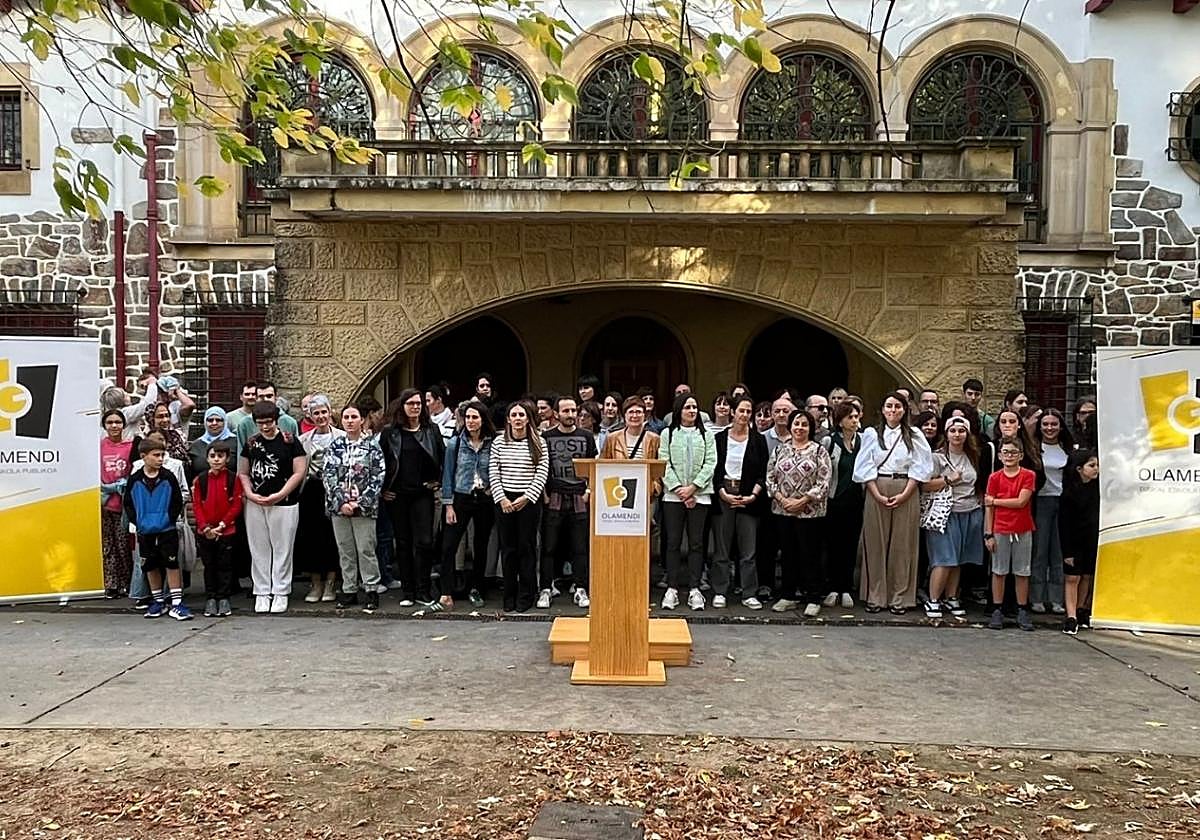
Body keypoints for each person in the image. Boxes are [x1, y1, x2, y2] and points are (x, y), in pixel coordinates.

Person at [853, 392, 935, 614]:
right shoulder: (872, 434)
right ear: (882, 409)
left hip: (906, 487)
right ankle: (875, 595)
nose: (893, 410)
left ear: (904, 409)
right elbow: (864, 466)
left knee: (903, 544)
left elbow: (921, 467)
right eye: (889, 406)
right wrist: (877, 494)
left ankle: (900, 596)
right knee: (875, 543)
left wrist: (906, 494)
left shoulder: (914, 435)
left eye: (897, 406)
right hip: (877, 486)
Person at [239, 400, 307, 614]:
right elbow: (243, 472)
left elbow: (299, 471)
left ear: (276, 420)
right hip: (256, 502)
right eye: (260, 423)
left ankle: (280, 590)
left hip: (284, 502)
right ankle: (261, 590)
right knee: (258, 547)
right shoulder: (252, 443)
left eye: (269, 422)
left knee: (282, 548)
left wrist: (281, 494)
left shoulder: (290, 441)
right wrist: (250, 493)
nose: (265, 426)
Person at [382, 388, 446, 607]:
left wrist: (438, 481)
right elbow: (381, 462)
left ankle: (423, 589)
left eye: (418, 403)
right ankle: (408, 591)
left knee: (425, 542)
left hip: (423, 493)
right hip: (398, 495)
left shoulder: (432, 430)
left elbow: (442, 458)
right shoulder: (390, 432)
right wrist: (383, 489)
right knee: (403, 542)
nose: (415, 407)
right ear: (402, 406)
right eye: (410, 403)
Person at [766, 408, 832, 616]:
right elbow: (769, 478)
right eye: (796, 424)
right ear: (790, 426)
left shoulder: (819, 451)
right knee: (788, 554)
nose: (800, 428)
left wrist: (803, 501)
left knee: (810, 554)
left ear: (810, 428)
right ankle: (788, 595)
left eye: (804, 424)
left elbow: (824, 482)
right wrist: (783, 499)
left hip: (810, 513)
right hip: (783, 510)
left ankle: (813, 597)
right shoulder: (780, 450)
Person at [324, 403, 385, 613]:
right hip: (339, 508)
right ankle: (349, 589)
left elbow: (378, 476)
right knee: (345, 549)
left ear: (362, 420)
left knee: (366, 548)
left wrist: (361, 502)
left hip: (364, 508)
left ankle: (371, 589)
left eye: (354, 417)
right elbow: (329, 475)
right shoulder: (335, 445)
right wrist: (342, 502)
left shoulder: (372, 446)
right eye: (346, 417)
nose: (350, 421)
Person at [921, 417, 985, 620]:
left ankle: (951, 597)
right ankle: (933, 599)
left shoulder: (973, 456)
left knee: (958, 559)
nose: (957, 435)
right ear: (946, 434)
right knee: (944, 559)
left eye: (961, 431)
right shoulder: (937, 457)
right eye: (953, 430)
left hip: (970, 511)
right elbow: (924, 485)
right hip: (945, 513)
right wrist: (948, 479)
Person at [660, 392, 717, 611]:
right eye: (687, 407)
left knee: (696, 543)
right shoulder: (668, 433)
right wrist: (678, 489)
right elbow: (664, 462)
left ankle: (695, 589)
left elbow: (710, 463)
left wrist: (693, 488)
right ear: (679, 410)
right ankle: (672, 588)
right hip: (673, 496)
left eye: (694, 407)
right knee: (673, 543)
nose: (692, 411)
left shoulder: (707, 435)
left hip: (700, 496)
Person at [539, 396, 598, 609]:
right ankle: (546, 588)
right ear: (556, 413)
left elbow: (593, 465)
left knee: (580, 546)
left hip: (579, 497)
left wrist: (589, 491)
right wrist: (544, 494)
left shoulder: (587, 436)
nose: (571, 414)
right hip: (553, 496)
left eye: (573, 410)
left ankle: (581, 588)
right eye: (566, 411)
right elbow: (540, 466)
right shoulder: (546, 437)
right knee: (549, 546)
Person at [491, 400, 549, 612]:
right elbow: (493, 471)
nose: (517, 418)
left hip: (529, 501)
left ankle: (526, 595)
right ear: (508, 419)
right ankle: (509, 594)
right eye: (514, 415)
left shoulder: (539, 442)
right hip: (505, 500)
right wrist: (502, 498)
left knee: (527, 547)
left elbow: (542, 471)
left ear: (528, 419)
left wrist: (527, 497)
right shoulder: (499, 442)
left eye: (521, 415)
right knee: (508, 549)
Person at [711, 396, 768, 609]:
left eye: (748, 411)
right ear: (733, 412)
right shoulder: (719, 438)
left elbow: (763, 472)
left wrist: (753, 496)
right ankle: (720, 591)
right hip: (724, 494)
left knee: (748, 550)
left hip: (748, 496)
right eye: (741, 410)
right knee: (722, 548)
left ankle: (749, 592)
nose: (744, 415)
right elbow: (714, 468)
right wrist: (722, 492)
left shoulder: (758, 440)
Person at [123, 437, 189, 620]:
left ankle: (176, 603)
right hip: (145, 531)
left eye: (162, 455)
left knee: (172, 564)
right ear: (143, 456)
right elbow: (128, 504)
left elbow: (177, 501)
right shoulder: (135, 479)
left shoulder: (168, 477)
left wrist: (169, 519)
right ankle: (158, 601)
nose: (160, 459)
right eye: (156, 455)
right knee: (150, 565)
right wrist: (139, 522)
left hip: (167, 529)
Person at [440, 400, 495, 609]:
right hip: (461, 497)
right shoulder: (455, 443)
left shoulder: (492, 443)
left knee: (480, 546)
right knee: (449, 545)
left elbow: (497, 469)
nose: (471, 421)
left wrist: (492, 489)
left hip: (483, 498)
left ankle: (476, 588)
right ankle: (446, 591)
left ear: (483, 420)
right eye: (468, 417)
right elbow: (448, 474)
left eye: (475, 417)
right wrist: (448, 505)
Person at [984, 437, 1038, 631]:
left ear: (1021, 455)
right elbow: (988, 509)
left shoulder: (1028, 475)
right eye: (1005, 452)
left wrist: (995, 501)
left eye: (1013, 452)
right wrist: (988, 533)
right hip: (1000, 528)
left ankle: (1022, 608)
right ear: (999, 456)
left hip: (1022, 528)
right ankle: (997, 608)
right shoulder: (994, 477)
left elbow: (1021, 502)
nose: (1009, 456)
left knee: (1022, 571)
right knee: (999, 571)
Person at [297, 395, 344, 604]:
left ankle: (331, 583)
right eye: (316, 413)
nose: (321, 416)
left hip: (335, 491)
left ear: (330, 412)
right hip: (312, 492)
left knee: (332, 537)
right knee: (312, 538)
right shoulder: (303, 440)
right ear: (310, 416)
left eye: (324, 412)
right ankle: (316, 584)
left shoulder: (342, 437)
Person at [192, 441, 243, 618]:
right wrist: (205, 527)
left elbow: (236, 505)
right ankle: (211, 598)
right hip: (205, 531)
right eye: (212, 456)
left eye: (220, 456)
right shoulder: (200, 480)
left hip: (226, 530)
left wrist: (223, 524)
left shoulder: (233, 479)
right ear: (206, 458)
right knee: (209, 565)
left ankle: (224, 598)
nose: (216, 459)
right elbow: (197, 505)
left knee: (225, 566)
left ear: (227, 459)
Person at [1032, 408, 1074, 615]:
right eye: (1045, 424)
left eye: (1054, 424)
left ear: (1061, 426)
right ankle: (1036, 598)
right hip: (1041, 501)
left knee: (1059, 552)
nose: (1050, 428)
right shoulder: (1033, 448)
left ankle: (1057, 599)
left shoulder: (1068, 448)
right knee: (1039, 551)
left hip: (1063, 502)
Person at [823, 401, 863, 610]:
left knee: (850, 544)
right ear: (840, 421)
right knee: (833, 545)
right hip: (833, 501)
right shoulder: (829, 441)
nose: (855, 421)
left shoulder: (863, 441)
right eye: (850, 417)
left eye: (856, 416)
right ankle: (833, 587)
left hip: (856, 501)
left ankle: (846, 588)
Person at [1059, 449, 1099, 635]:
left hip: (1092, 539)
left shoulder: (1097, 490)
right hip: (1074, 541)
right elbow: (1064, 525)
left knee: (1087, 576)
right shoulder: (1068, 494)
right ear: (1079, 469)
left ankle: (1081, 609)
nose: (1096, 469)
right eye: (1092, 465)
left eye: (1097, 465)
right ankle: (1071, 616)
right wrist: (1067, 552)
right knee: (1072, 577)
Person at [100, 410, 137, 597]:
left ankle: (127, 583)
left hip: (123, 505)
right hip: (103, 503)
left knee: (123, 546)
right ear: (104, 425)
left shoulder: (130, 447)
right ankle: (111, 584)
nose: (114, 426)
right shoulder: (98, 447)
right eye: (110, 422)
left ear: (123, 425)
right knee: (108, 546)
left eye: (117, 422)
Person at [235, 381, 299, 457]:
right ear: (256, 398)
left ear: (276, 397)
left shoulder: (289, 422)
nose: (265, 399)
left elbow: (296, 452)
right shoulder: (245, 423)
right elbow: (241, 454)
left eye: (269, 396)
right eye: (261, 397)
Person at [101, 376, 159, 441]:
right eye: (125, 394)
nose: (128, 394)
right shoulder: (125, 413)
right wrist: (152, 384)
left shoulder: (106, 414)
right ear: (120, 400)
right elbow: (147, 404)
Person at [188, 406, 236, 482]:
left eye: (218, 420)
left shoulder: (235, 442)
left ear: (225, 422)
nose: (214, 423)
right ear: (205, 422)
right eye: (210, 420)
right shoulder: (195, 445)